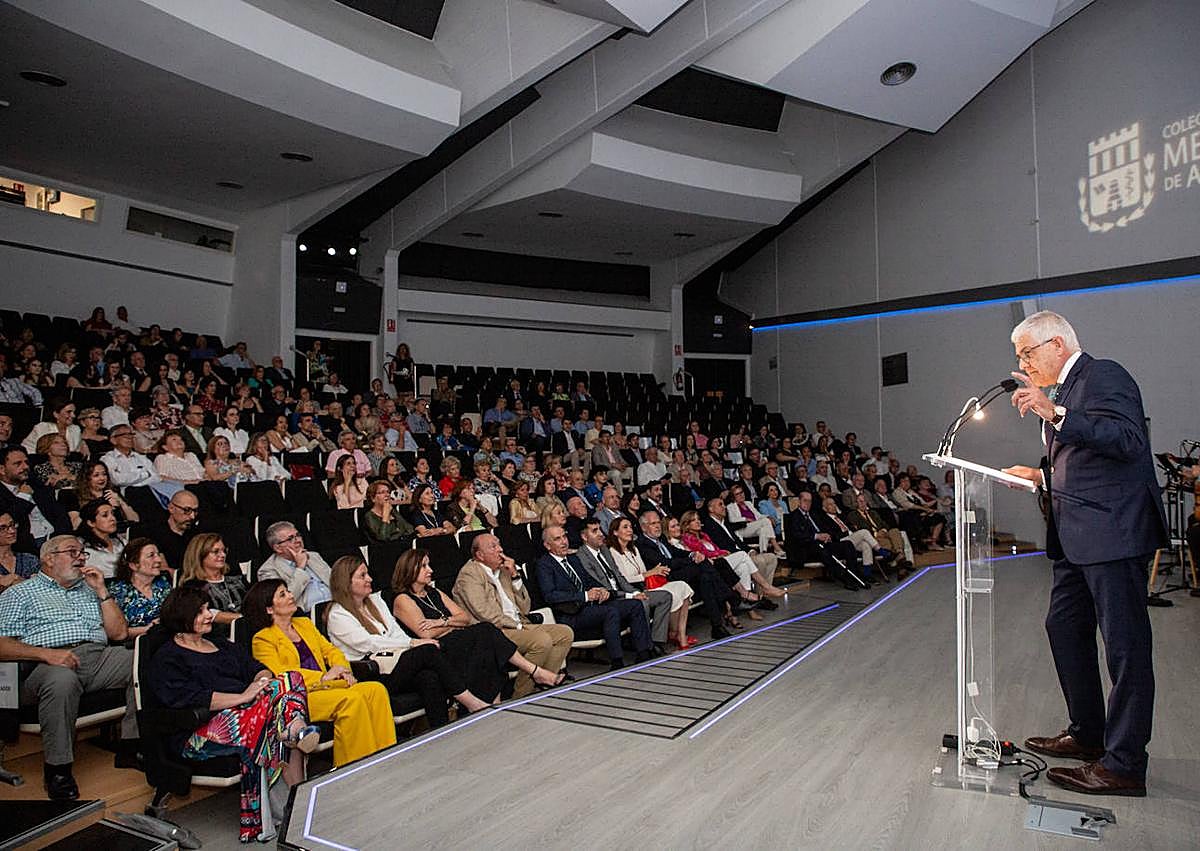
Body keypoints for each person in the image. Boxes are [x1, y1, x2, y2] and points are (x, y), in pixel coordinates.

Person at [1000, 311, 1165, 797]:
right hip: (1076, 538)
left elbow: (1127, 441)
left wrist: (1054, 414)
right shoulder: (1064, 393)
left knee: (1125, 648)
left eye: (1027, 354)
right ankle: (1089, 735)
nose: (1024, 365)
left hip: (1112, 533)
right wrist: (1038, 475)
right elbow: (1082, 461)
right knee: (1064, 627)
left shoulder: (1103, 374)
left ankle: (1125, 765)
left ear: (1056, 343)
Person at [147, 586, 316, 842]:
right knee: (273, 721)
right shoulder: (168, 657)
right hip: (203, 728)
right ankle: (295, 743)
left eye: (207, 609)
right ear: (182, 617)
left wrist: (259, 684)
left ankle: (292, 730)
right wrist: (242, 697)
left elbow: (259, 669)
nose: (209, 616)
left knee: (289, 679)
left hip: (252, 712)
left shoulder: (220, 644)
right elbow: (189, 699)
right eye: (201, 611)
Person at [0, 534, 134, 799]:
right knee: (62, 679)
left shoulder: (89, 588)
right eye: (73, 552)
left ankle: (133, 746)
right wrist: (46, 654)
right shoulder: (20, 593)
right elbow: (1, 644)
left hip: (97, 656)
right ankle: (58, 771)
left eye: (83, 553)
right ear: (48, 558)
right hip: (42, 665)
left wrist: (102, 592)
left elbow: (119, 634)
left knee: (144, 663)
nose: (81, 558)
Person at [324, 555, 493, 727]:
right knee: (428, 650)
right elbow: (369, 643)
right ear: (346, 581)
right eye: (363, 576)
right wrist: (413, 643)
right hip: (373, 674)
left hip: (396, 662)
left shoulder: (376, 601)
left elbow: (396, 633)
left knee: (429, 677)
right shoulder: (337, 614)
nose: (370, 579)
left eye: (368, 574)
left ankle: (442, 732)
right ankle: (471, 702)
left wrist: (411, 643)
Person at [244, 578, 395, 767]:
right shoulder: (263, 639)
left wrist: (343, 670)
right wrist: (324, 677)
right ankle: (353, 766)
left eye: (288, 591)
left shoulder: (304, 624)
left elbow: (331, 651)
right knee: (351, 701)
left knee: (376, 690)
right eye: (283, 594)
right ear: (269, 609)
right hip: (302, 696)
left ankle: (385, 756)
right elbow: (283, 674)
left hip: (330, 685)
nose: (291, 596)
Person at [390, 550, 564, 698]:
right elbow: (426, 634)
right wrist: (453, 624)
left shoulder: (433, 592)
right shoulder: (403, 599)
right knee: (486, 629)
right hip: (436, 650)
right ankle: (536, 673)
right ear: (409, 569)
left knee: (487, 642)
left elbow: (464, 618)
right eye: (424, 566)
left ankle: (498, 698)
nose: (431, 570)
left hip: (456, 640)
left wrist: (443, 622)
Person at [452, 533, 574, 698]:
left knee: (565, 633)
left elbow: (525, 607)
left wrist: (515, 576)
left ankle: (542, 685)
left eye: (499, 544)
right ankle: (521, 695)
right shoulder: (469, 574)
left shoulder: (503, 570)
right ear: (479, 555)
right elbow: (483, 612)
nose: (500, 549)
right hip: (495, 631)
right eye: (493, 547)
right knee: (541, 640)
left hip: (518, 624)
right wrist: (516, 625)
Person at [535, 525, 653, 670]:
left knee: (634, 605)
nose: (564, 542)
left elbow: (588, 580)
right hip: (571, 613)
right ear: (547, 545)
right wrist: (584, 596)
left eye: (564, 537)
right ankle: (617, 661)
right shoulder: (544, 565)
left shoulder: (573, 559)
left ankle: (644, 653)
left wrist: (601, 589)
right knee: (610, 612)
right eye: (557, 539)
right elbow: (550, 595)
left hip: (591, 606)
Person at [603, 516, 695, 649]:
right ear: (615, 532)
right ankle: (663, 638)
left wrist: (653, 572)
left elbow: (643, 570)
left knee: (683, 587)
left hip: (647, 585)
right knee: (668, 594)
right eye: (625, 527)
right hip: (633, 589)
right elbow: (625, 578)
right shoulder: (613, 552)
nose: (630, 530)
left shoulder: (633, 549)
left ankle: (679, 634)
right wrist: (650, 573)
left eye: (630, 527)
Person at [257, 521, 332, 614]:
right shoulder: (268, 570)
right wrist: (300, 568)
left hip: (335, 606)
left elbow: (335, 582)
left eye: (298, 535)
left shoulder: (313, 556)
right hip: (307, 615)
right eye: (290, 539)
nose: (298, 540)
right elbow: (281, 603)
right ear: (278, 548)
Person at [180, 533, 247, 629]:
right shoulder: (192, 586)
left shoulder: (237, 579)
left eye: (224, 551)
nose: (223, 555)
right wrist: (247, 619)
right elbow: (210, 614)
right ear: (200, 555)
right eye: (216, 552)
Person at [108, 537, 172, 637]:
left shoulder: (163, 582)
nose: (159, 560)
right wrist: (148, 629)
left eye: (158, 554)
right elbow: (115, 633)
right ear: (133, 565)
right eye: (151, 556)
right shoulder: (118, 591)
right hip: (135, 646)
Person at [78, 498, 128, 578]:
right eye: (105, 515)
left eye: (113, 514)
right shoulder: (82, 546)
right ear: (91, 522)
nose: (113, 519)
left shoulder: (121, 541)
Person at [0, 510, 39, 588]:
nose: (12, 530)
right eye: (3, 528)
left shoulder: (29, 560)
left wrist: (18, 580)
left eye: (12, 525)